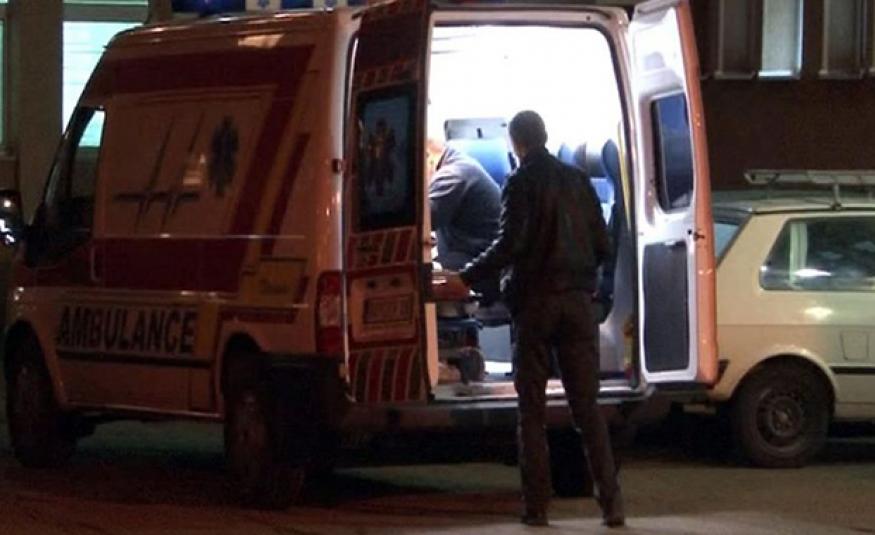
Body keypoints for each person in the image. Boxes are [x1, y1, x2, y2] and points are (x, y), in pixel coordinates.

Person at [436, 111, 624, 528]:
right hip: (578, 306)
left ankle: (537, 507)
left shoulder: (520, 182)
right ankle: (612, 505)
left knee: (532, 411)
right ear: (545, 136)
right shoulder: (578, 180)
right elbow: (603, 244)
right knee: (587, 409)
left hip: (536, 305)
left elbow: (510, 244)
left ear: (516, 143)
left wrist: (464, 277)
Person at [428, 140, 502, 303]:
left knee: (422, 279)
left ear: (428, 157)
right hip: (477, 256)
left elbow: (423, 221)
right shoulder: (460, 163)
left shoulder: (453, 175)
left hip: (482, 267)